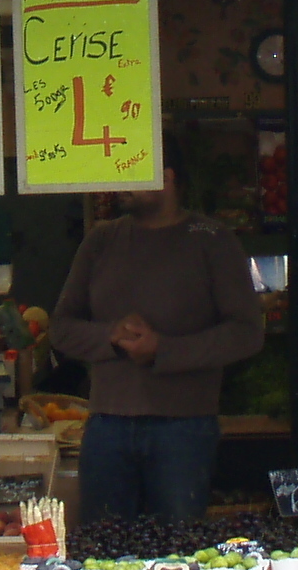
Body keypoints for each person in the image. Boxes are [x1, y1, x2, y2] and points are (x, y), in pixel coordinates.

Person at [52, 139, 264, 525]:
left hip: (184, 427)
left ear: (166, 178)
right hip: (107, 425)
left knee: (176, 554)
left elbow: (247, 332)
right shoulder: (101, 241)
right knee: (100, 550)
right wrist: (110, 337)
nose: (120, 183)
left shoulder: (211, 240)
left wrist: (164, 350)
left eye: (131, 171)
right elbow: (61, 329)